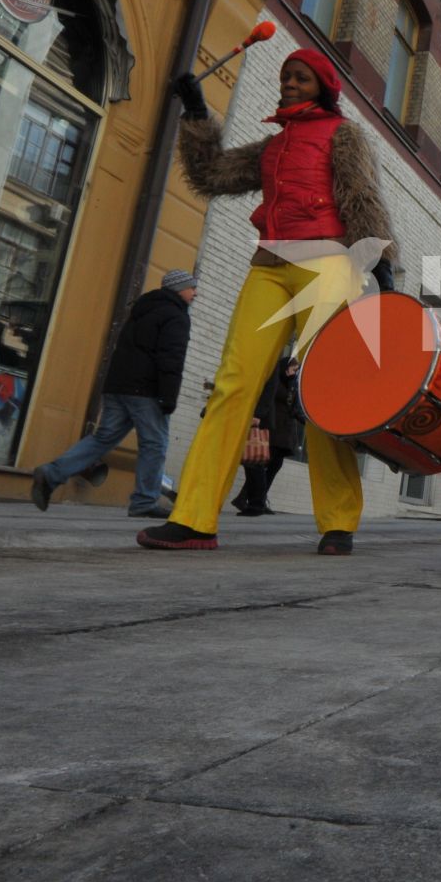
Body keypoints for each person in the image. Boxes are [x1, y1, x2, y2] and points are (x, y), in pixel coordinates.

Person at [137, 47, 394, 553]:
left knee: (322, 392)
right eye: (285, 77)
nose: (289, 84)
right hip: (269, 267)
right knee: (234, 384)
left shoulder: (343, 135)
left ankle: (338, 521)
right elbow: (212, 176)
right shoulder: (273, 147)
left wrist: (381, 263)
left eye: (300, 77)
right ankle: (194, 517)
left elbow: (362, 197)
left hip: (328, 265)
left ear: (322, 86)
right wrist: (195, 113)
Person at [31, 269, 196, 519]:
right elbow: (170, 359)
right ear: (178, 288)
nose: (195, 293)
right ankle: (144, 501)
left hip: (117, 386)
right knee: (154, 444)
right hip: (146, 390)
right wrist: (169, 396)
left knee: (103, 438)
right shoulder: (175, 315)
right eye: (191, 287)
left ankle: (52, 473)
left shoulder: (142, 309)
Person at [230, 354, 300, 517]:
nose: (293, 372)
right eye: (292, 368)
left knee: (269, 466)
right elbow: (272, 397)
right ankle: (253, 500)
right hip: (273, 431)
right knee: (259, 463)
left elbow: (294, 406)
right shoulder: (277, 381)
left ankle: (255, 500)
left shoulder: (290, 384)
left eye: (295, 369)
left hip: (284, 432)